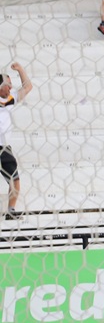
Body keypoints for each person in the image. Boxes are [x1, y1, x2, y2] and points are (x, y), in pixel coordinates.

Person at [0, 62, 34, 219]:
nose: (11, 87)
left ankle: (11, 211)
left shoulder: (10, 99)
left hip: (4, 148)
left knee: (15, 180)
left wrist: (20, 69)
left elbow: (28, 87)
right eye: (8, 84)